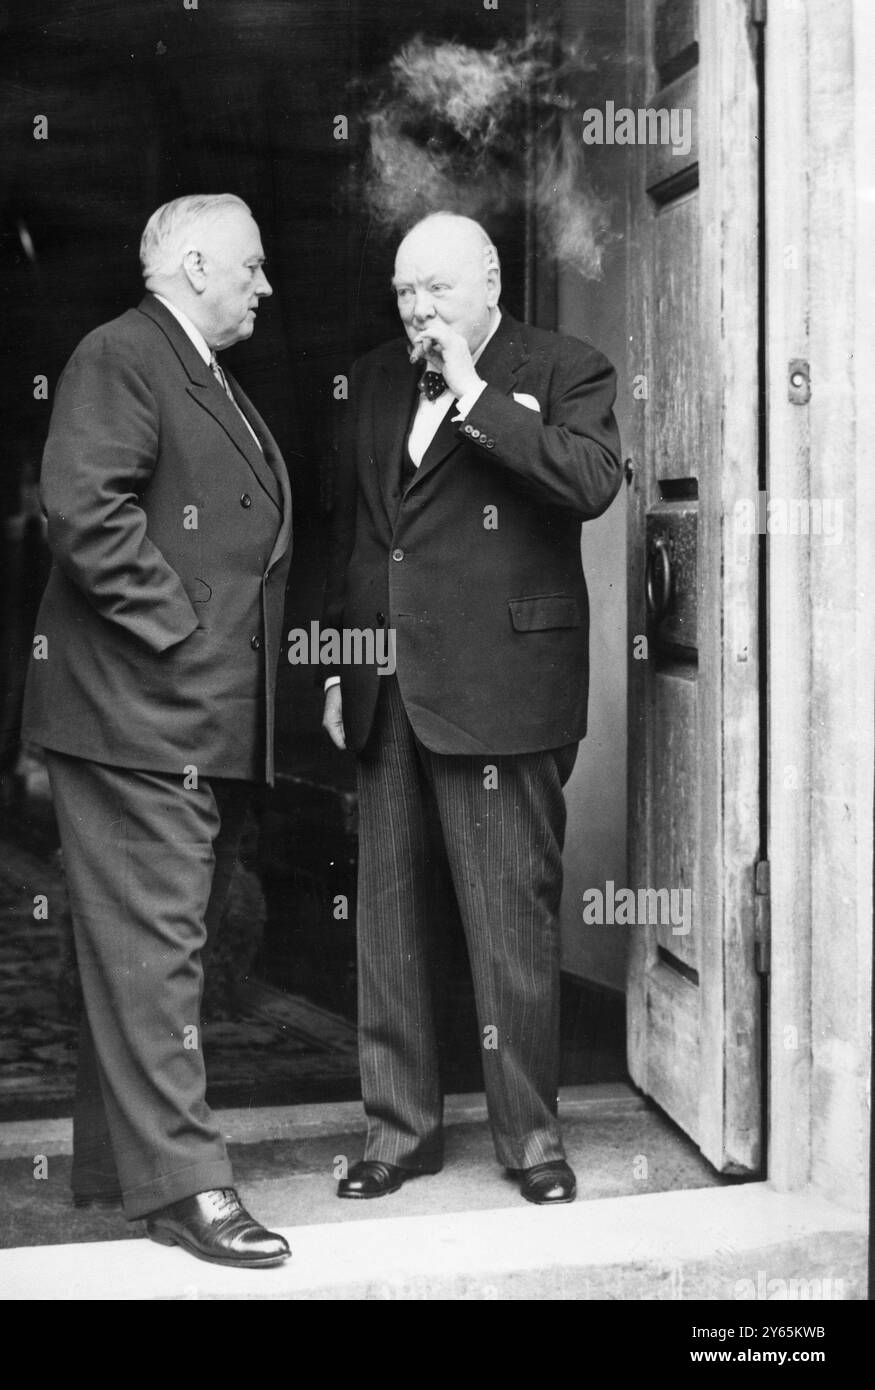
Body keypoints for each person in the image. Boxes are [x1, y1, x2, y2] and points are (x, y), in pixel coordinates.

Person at [322, 211, 621, 1205]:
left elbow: (587, 483)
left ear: (488, 283)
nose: (416, 311)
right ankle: (395, 1134)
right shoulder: (368, 377)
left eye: (435, 291)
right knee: (388, 925)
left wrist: (473, 394)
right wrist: (340, 663)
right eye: (404, 292)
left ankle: (530, 1140)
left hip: (503, 688)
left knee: (510, 922)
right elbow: (363, 538)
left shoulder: (564, 367)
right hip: (388, 688)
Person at [22, 193, 293, 1267]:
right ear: (191, 265)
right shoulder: (121, 353)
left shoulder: (193, 366)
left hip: (171, 713)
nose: (264, 286)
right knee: (163, 951)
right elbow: (85, 508)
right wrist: (181, 634)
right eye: (251, 266)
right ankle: (190, 1188)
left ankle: (113, 1168)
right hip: (138, 710)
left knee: (136, 945)